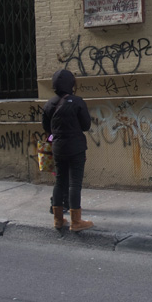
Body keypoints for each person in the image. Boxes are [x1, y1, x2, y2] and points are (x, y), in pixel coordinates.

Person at [41, 69, 94, 232]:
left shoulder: (49, 104)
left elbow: (46, 128)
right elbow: (86, 125)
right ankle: (76, 221)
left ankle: (58, 219)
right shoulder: (77, 102)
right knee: (74, 183)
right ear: (71, 84)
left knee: (60, 181)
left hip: (57, 148)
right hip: (76, 148)